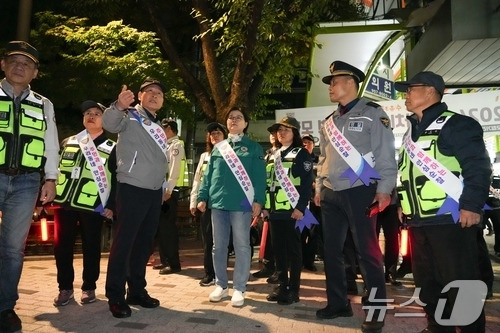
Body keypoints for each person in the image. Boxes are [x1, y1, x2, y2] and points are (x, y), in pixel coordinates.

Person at [395, 71, 491, 332]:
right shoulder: (410, 132)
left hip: (452, 222)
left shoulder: (458, 125)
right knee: (429, 286)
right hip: (419, 223)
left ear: (430, 91)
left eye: (411, 89)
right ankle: (438, 328)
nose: (406, 94)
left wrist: (471, 205)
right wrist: (404, 207)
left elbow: (478, 167)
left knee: (462, 287)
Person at [314, 60, 397, 333]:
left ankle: (375, 310)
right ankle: (338, 303)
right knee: (331, 251)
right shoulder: (329, 122)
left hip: (361, 191)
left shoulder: (373, 113)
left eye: (335, 81)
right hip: (331, 193)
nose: (331, 87)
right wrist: (319, 188)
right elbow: (323, 157)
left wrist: (384, 190)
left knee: (367, 252)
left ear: (350, 82)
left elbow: (385, 155)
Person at [0, 41, 59, 333]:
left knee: (13, 249)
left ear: (35, 72)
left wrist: (51, 179)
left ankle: (5, 307)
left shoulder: (44, 104)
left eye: (27, 63)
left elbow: (50, 144)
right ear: (3, 65)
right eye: (14, 60)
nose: (19, 66)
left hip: (26, 182)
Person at [103, 78, 168, 318]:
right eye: (149, 91)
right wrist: (118, 105)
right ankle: (116, 295)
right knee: (124, 244)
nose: (154, 95)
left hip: (153, 192)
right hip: (131, 187)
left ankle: (137, 290)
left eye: (159, 93)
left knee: (143, 245)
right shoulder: (129, 116)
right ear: (139, 96)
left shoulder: (158, 125)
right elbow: (109, 122)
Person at [197, 107, 266, 307]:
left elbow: (259, 178)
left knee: (242, 246)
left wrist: (258, 201)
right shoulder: (219, 147)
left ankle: (239, 288)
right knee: (218, 247)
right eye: (230, 117)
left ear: (246, 123)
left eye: (239, 117)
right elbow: (208, 175)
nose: (234, 120)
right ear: (227, 123)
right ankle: (221, 285)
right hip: (218, 203)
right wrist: (202, 196)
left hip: (242, 203)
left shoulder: (253, 148)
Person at [52, 100, 117, 306]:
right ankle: (65, 288)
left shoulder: (112, 147)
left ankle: (89, 287)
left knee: (91, 247)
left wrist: (112, 205)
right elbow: (55, 170)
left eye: (96, 113)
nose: (91, 116)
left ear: (104, 120)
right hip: (64, 203)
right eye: (87, 112)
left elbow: (117, 180)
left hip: (93, 205)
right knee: (62, 247)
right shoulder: (69, 141)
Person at [263, 117, 313, 305]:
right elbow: (267, 184)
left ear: (295, 133)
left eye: (286, 129)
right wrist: (266, 208)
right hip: (274, 211)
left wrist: (300, 208)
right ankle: (281, 285)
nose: (281, 133)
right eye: (279, 130)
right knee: (278, 250)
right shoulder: (271, 155)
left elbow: (307, 183)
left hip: (292, 211)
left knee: (293, 250)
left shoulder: (301, 154)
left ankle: (294, 289)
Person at [189, 122, 228, 286]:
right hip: (206, 204)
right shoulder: (205, 156)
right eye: (212, 134)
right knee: (208, 241)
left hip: (224, 204)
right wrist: (195, 200)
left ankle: (222, 273)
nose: (215, 136)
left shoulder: (231, 155)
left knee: (223, 241)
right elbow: (198, 180)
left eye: (218, 133)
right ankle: (209, 273)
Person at [155, 119, 186, 275]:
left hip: (169, 192)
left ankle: (174, 264)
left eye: (164, 128)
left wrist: (168, 191)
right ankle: (165, 261)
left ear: (171, 129)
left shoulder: (176, 145)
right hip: (161, 191)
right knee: (161, 228)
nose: (161, 130)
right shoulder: (164, 145)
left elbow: (174, 170)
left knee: (168, 229)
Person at [252, 132, 280, 282]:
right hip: (267, 203)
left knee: (279, 240)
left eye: (277, 133)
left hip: (282, 203)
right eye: (271, 134)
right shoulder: (267, 155)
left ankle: (280, 270)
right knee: (267, 238)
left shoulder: (287, 153)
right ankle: (268, 267)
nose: (274, 136)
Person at [301, 134, 320, 272]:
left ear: (313, 145)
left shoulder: (319, 160)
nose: (305, 145)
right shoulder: (298, 159)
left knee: (314, 234)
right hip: (301, 203)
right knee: (300, 233)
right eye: (303, 143)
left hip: (315, 203)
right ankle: (300, 260)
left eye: (308, 142)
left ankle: (310, 260)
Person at [376, 188, 402, 286]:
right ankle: (373, 274)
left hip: (391, 204)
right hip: (373, 203)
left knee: (393, 240)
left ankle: (391, 273)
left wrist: (399, 206)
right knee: (371, 241)